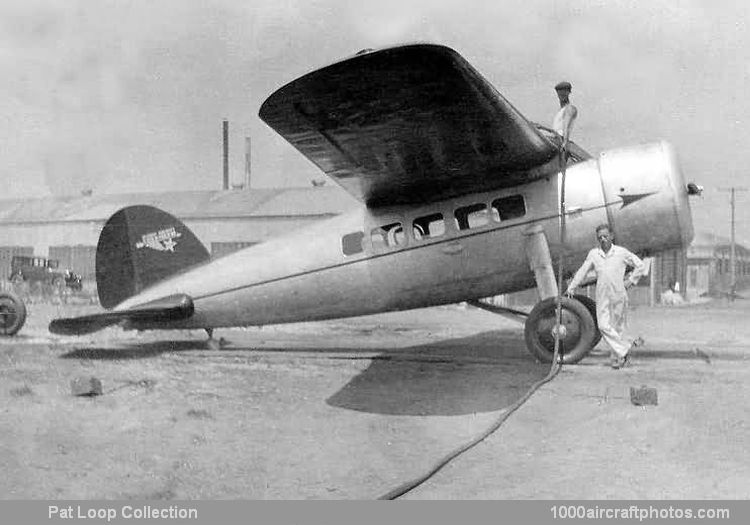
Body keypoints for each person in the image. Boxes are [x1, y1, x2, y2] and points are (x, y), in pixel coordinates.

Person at [565, 224, 646, 369]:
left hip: (619, 294)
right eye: (600, 237)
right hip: (602, 294)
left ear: (611, 236)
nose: (603, 239)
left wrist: (631, 281)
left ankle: (618, 360)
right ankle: (626, 349)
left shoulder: (621, 252)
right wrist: (572, 287)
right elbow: (583, 271)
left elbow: (640, 265)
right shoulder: (594, 254)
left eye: (605, 236)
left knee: (618, 329)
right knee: (603, 326)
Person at [552, 81, 578, 150]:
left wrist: (565, 142)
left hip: (560, 140)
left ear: (569, 93)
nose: (561, 97)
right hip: (556, 138)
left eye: (564, 94)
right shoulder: (561, 110)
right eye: (560, 94)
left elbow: (566, 127)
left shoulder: (569, 108)